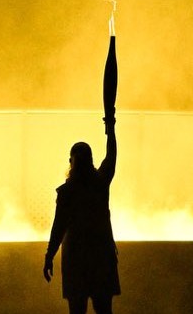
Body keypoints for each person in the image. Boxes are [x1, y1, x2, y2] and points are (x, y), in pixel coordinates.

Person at [42, 110, 119, 314]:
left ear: (71, 162)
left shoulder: (67, 192)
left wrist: (49, 256)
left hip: (76, 259)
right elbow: (111, 157)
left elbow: (58, 227)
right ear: (91, 160)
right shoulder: (100, 184)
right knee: (104, 310)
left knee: (77, 310)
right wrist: (110, 127)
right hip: (102, 256)